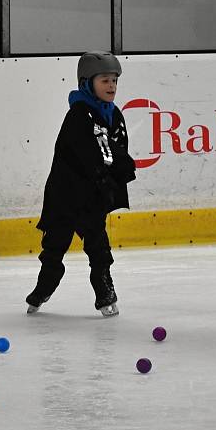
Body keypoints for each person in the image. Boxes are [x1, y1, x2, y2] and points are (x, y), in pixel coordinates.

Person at [26, 51, 136, 316]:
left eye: (114, 81)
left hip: (92, 195)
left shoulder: (114, 115)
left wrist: (116, 171)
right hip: (66, 194)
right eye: (105, 81)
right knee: (54, 247)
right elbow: (95, 152)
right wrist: (119, 162)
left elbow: (117, 146)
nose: (111, 86)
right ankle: (44, 287)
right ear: (88, 83)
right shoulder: (79, 115)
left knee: (99, 246)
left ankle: (105, 292)